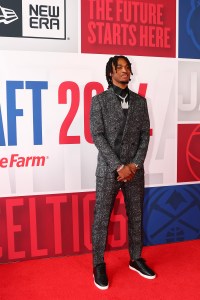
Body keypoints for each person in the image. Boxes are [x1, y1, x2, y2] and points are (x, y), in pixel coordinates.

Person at [90, 55, 156, 290]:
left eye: (128, 68)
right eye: (120, 68)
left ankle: (136, 258)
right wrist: (119, 166)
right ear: (111, 73)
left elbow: (144, 136)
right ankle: (98, 263)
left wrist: (134, 165)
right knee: (101, 219)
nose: (125, 71)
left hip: (135, 171)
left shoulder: (140, 102)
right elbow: (97, 135)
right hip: (109, 170)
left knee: (136, 216)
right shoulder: (99, 101)